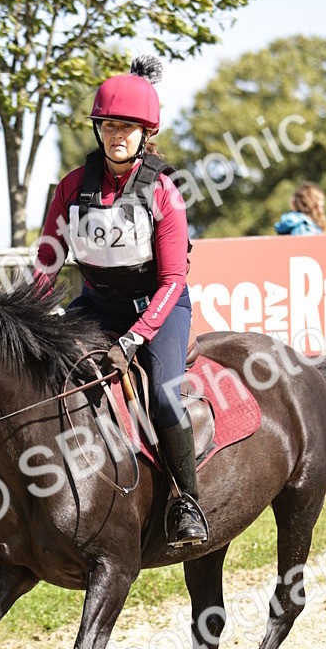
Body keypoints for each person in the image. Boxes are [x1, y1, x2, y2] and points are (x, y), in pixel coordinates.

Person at [33, 55, 208, 546]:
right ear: (98, 129)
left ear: (144, 134)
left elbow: (174, 278)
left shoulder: (165, 193)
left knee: (165, 396)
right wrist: (38, 313)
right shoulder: (72, 187)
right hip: (96, 304)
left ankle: (186, 501)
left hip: (159, 308)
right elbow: (48, 261)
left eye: (128, 128)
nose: (117, 136)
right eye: (109, 125)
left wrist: (136, 338)